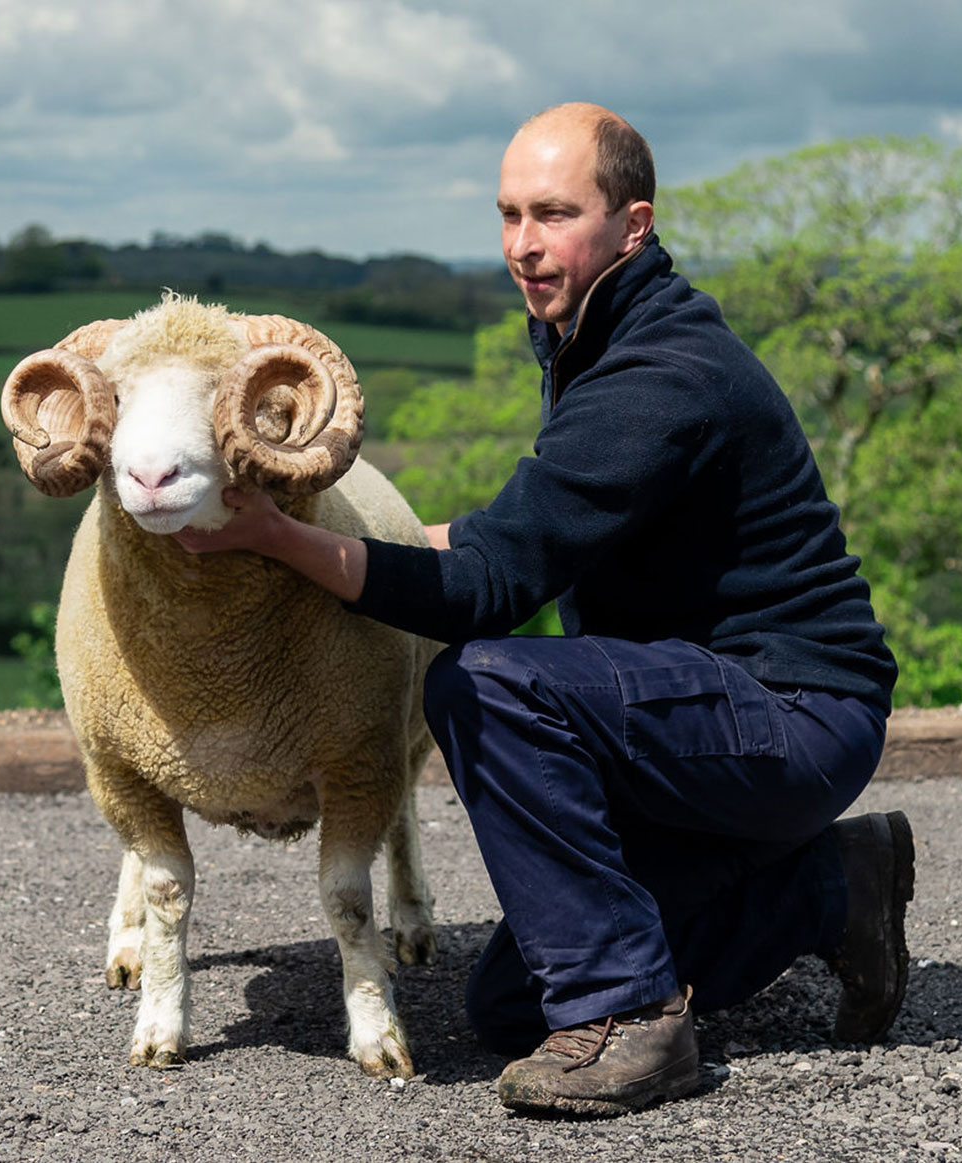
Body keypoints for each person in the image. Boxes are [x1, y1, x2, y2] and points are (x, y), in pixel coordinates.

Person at [173, 102, 912, 1117]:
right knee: (513, 1003)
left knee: (486, 681)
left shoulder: (661, 373)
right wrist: (325, 521)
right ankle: (832, 884)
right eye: (509, 213)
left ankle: (638, 1023)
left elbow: (485, 592)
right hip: (694, 708)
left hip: (789, 708)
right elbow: (504, 537)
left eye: (555, 214)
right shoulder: (594, 336)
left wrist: (277, 540)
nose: (524, 244)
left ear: (633, 225)